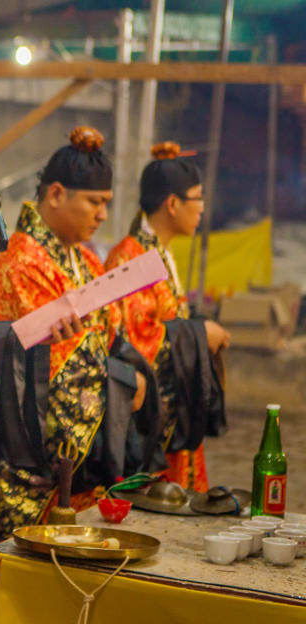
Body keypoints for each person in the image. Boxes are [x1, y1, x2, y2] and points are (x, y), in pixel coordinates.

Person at [0, 127, 158, 544]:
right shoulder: (21, 260)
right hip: (31, 466)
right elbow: (51, 368)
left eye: (107, 204)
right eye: (94, 202)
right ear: (56, 194)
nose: (101, 214)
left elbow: (112, 335)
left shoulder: (84, 259)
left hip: (81, 462)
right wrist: (126, 380)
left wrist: (128, 369)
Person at [105, 141, 230, 493]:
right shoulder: (129, 258)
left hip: (175, 407)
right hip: (150, 420)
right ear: (173, 204)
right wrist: (198, 333)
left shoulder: (159, 252)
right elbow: (134, 339)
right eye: (198, 198)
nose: (203, 208)